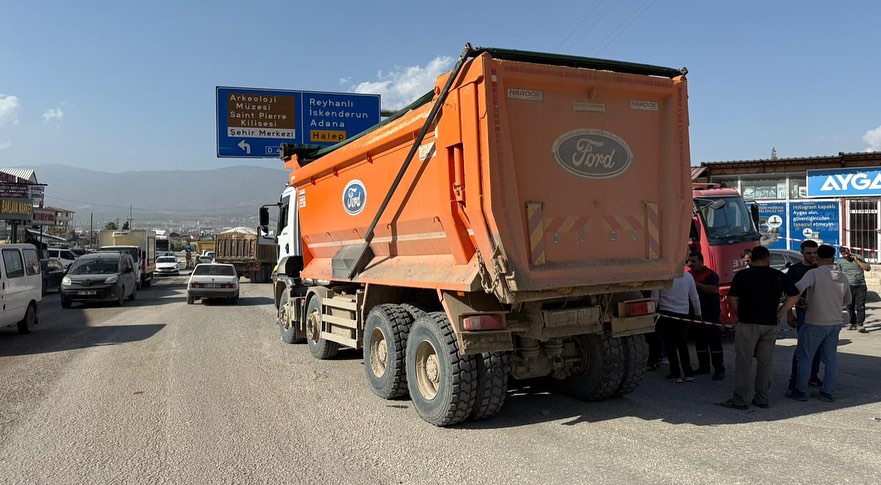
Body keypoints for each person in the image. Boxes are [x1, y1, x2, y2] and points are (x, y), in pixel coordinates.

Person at [720, 246, 800, 410]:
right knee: (765, 363)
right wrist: (781, 312)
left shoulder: (742, 275)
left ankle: (740, 400)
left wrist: (738, 313)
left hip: (747, 323)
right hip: (770, 324)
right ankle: (762, 398)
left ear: (752, 258)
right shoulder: (777, 275)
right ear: (767, 258)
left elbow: (732, 297)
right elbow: (794, 294)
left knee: (744, 362)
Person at [785, 244, 852, 402]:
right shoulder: (842, 276)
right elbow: (848, 300)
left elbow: (796, 290)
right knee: (830, 359)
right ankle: (827, 392)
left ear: (818, 257)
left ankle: (800, 390)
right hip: (835, 322)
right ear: (833, 257)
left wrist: (786, 309)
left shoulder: (814, 273)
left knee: (805, 357)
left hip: (814, 322)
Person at [786, 240, 823, 390]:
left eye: (815, 252)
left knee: (818, 348)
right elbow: (789, 293)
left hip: (821, 314)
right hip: (803, 314)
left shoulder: (822, 268)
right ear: (802, 253)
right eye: (809, 253)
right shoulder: (795, 270)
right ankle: (795, 380)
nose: (813, 256)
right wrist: (789, 314)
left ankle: (812, 376)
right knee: (802, 349)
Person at [656, 269, 702, 383]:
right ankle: (688, 372)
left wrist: (653, 312)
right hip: (683, 314)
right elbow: (694, 296)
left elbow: (655, 296)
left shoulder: (662, 275)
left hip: (666, 313)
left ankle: (675, 373)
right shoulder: (688, 276)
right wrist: (698, 313)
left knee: (670, 344)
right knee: (682, 344)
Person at [685, 252, 726, 380]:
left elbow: (714, 290)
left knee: (714, 342)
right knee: (699, 342)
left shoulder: (711, 275)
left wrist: (695, 284)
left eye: (694, 261)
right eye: (689, 261)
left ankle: (719, 369)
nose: (691, 264)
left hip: (710, 314)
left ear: (701, 262)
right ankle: (704, 366)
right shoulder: (689, 275)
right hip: (695, 315)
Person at [836, 247, 870, 333]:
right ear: (841, 254)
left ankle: (860, 325)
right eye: (844, 254)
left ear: (850, 252)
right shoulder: (840, 261)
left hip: (860, 285)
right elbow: (836, 272)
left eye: (847, 253)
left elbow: (867, 268)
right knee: (849, 306)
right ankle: (853, 323)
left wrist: (857, 261)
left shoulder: (858, 257)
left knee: (860, 305)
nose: (847, 256)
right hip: (848, 286)